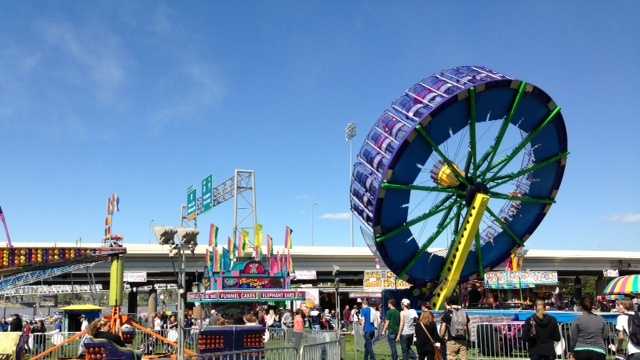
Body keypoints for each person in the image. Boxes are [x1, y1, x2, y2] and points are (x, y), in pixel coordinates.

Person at [569, 295, 608, 360]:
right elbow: (605, 335)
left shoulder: (577, 320)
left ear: (580, 307)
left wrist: (571, 351)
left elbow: (574, 338)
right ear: (592, 305)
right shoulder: (601, 319)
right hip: (598, 351)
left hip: (580, 351)